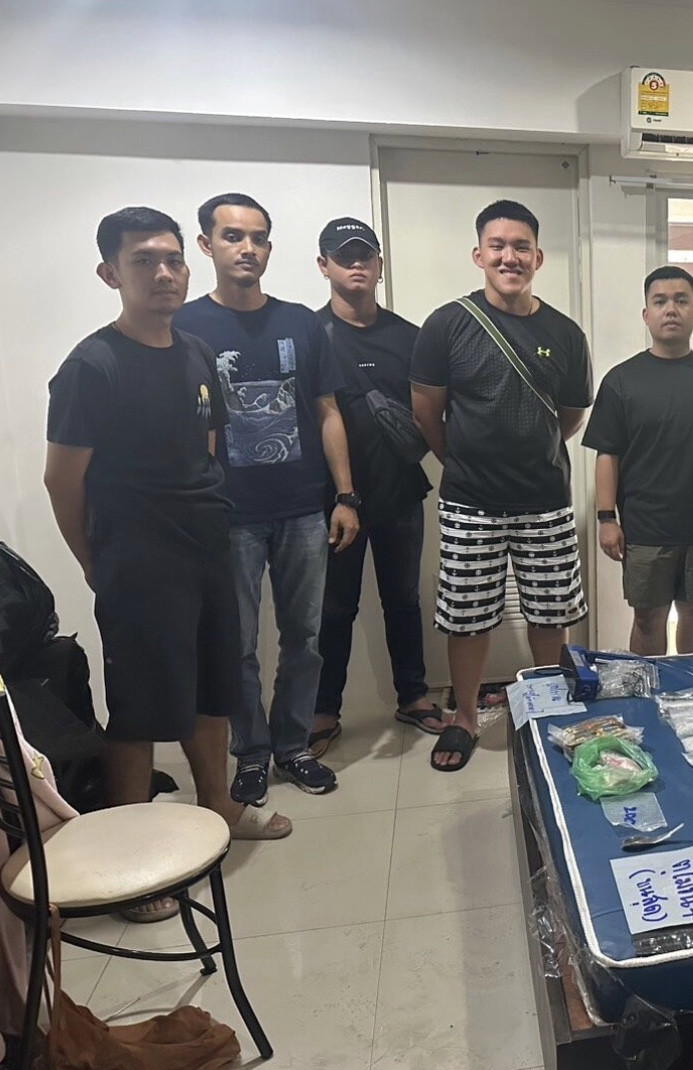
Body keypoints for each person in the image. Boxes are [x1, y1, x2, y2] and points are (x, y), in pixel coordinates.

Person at [44, 207, 291, 921]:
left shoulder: (196, 352)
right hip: (138, 560)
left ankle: (219, 809)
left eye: (172, 259)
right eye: (143, 260)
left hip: (207, 546)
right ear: (110, 273)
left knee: (215, 689)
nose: (162, 273)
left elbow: (205, 448)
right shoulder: (92, 367)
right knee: (141, 710)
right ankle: (132, 867)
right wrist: (95, 561)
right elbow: (61, 480)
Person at [174, 193, 356, 805]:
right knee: (238, 645)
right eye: (232, 236)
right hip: (228, 515)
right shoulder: (186, 327)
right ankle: (250, 753)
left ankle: (293, 746)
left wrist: (346, 496)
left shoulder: (301, 323)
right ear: (207, 245)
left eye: (257, 238)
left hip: (303, 508)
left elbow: (327, 411)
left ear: (270, 249)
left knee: (306, 637)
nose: (246, 248)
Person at [411, 200, 592, 772]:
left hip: (545, 499)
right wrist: (463, 460)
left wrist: (530, 450)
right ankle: (466, 717)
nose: (509, 257)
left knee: (550, 615)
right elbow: (427, 412)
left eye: (521, 247)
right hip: (470, 502)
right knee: (467, 619)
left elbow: (570, 415)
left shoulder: (565, 333)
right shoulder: (447, 325)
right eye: (498, 246)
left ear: (538, 257)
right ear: (479, 255)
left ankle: (545, 708)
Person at [309, 217, 441, 757]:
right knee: (334, 608)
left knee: (403, 601)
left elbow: (434, 411)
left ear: (380, 265)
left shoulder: (411, 337)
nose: (356, 265)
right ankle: (323, 710)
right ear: (324, 266)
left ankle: (413, 696)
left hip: (400, 494)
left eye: (365, 255)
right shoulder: (309, 335)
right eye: (344, 256)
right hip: (332, 501)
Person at [584, 267, 693, 656]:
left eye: (681, 301)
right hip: (645, 529)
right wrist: (607, 519)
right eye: (660, 302)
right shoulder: (621, 382)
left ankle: (691, 685)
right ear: (646, 315)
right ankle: (648, 688)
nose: (671, 309)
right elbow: (608, 454)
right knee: (647, 619)